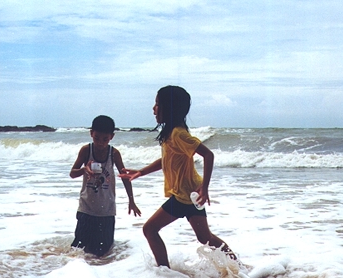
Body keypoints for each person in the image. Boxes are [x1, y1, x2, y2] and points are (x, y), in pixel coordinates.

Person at [119, 86, 238, 268]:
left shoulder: (178, 134)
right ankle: (238, 266)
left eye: (157, 104)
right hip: (190, 194)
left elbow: (208, 155)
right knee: (204, 237)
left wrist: (205, 188)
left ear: (169, 107)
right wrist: (141, 172)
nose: (154, 108)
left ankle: (164, 271)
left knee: (150, 229)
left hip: (186, 196)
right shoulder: (171, 133)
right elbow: (167, 159)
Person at [70, 115, 141, 257]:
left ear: (112, 137)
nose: (100, 143)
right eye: (96, 138)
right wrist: (84, 170)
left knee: (103, 253)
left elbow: (125, 178)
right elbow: (72, 173)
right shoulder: (86, 150)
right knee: (78, 251)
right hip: (86, 209)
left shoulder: (113, 154)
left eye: (105, 139)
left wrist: (131, 200)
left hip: (106, 211)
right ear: (91, 133)